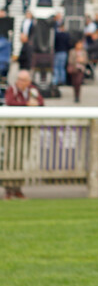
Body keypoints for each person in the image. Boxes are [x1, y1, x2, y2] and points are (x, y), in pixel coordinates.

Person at [3, 70, 43, 199]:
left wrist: (35, 104)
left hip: (26, 129)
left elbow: (41, 102)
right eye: (19, 79)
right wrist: (26, 105)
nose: (20, 82)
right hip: (12, 129)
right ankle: (9, 188)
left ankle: (18, 188)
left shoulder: (33, 90)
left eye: (23, 80)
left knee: (21, 159)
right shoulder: (12, 89)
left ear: (28, 81)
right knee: (10, 159)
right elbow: (10, 102)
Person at [67, 39, 88, 103]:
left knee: (78, 82)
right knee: (74, 83)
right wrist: (77, 60)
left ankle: (78, 96)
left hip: (80, 69)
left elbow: (86, 61)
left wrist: (82, 60)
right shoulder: (72, 51)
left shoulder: (84, 52)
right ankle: (75, 95)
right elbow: (70, 60)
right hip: (74, 69)